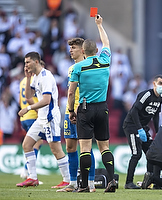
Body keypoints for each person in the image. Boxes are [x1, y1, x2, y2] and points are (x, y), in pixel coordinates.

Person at [67, 14, 116, 193]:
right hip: (102, 107)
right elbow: (107, 43)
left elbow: (71, 92)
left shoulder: (78, 67)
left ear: (83, 52)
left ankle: (84, 185)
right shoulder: (105, 60)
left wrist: (71, 110)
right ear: (96, 50)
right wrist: (99, 25)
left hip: (85, 109)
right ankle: (111, 181)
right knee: (104, 147)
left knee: (85, 148)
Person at [16, 52, 70, 187]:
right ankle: (32, 178)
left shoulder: (46, 76)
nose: (26, 65)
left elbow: (46, 100)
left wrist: (28, 109)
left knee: (56, 149)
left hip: (50, 118)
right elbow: (29, 96)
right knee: (27, 145)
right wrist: (28, 78)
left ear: (36, 62)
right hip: (41, 118)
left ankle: (68, 180)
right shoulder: (35, 77)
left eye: (27, 62)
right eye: (24, 63)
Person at [56, 38, 96, 192]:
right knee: (70, 147)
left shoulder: (89, 67)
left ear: (82, 50)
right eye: (70, 47)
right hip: (69, 111)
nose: (71, 50)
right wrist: (70, 109)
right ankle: (72, 183)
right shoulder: (71, 68)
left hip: (83, 112)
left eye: (74, 47)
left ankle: (91, 183)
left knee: (86, 147)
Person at [123, 74, 162, 189]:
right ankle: (128, 182)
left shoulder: (160, 99)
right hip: (132, 126)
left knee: (151, 154)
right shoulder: (147, 94)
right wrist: (139, 128)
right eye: (160, 83)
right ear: (154, 83)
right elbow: (133, 112)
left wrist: (158, 133)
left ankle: (149, 181)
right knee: (136, 154)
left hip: (143, 127)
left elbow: (156, 116)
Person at [19, 61, 44, 180]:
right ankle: (27, 171)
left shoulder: (23, 81)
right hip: (33, 115)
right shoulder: (35, 80)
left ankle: (28, 172)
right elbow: (30, 99)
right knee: (36, 144)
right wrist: (39, 111)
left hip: (23, 117)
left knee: (30, 143)